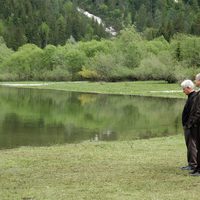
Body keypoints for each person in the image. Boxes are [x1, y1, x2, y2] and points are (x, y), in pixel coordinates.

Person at [185, 73, 200, 176]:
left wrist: (192, 123)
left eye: (196, 80)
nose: (195, 82)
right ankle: (197, 168)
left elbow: (198, 111)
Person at [180, 80, 197, 171]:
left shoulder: (194, 97)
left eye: (184, 89)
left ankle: (193, 164)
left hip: (190, 126)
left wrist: (189, 124)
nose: (183, 91)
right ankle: (191, 163)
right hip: (188, 125)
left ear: (188, 88)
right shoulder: (191, 97)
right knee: (189, 144)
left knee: (191, 145)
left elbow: (194, 113)